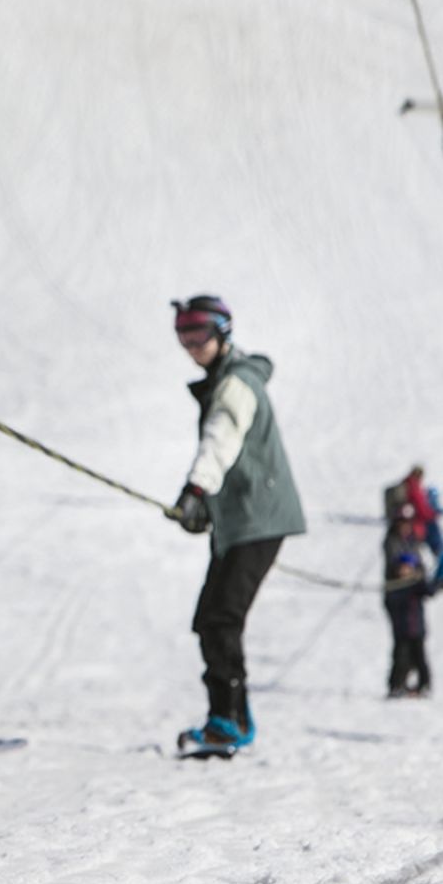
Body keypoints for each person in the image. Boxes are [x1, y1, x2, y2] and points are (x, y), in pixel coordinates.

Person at [169, 295, 305, 755]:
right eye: (183, 334)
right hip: (242, 521)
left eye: (200, 333)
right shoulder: (228, 378)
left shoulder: (235, 385)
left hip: (258, 520)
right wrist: (207, 506)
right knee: (211, 618)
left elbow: (221, 439)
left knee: (220, 619)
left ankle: (228, 722)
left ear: (223, 333)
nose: (191, 344)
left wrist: (197, 491)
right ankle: (227, 718)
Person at [382, 511, 435, 697]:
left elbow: (428, 589)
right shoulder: (391, 542)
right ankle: (397, 684)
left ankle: (423, 684)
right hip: (399, 605)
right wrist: (404, 571)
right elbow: (394, 566)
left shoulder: (413, 543)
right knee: (401, 649)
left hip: (415, 614)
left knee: (419, 651)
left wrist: (420, 577)